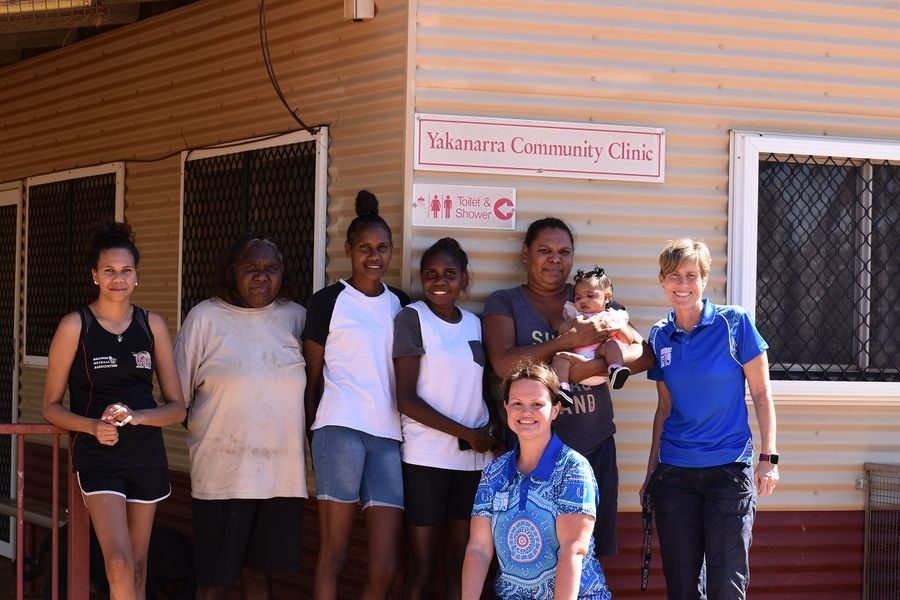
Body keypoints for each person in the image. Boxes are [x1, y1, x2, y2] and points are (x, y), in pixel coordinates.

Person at [482, 217, 653, 559]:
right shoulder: (506, 301)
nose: (555, 258)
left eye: (564, 251)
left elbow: (644, 353)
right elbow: (503, 364)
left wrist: (591, 368)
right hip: (532, 452)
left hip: (595, 445)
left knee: (589, 553)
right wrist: (569, 340)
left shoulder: (592, 298)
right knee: (533, 551)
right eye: (544, 250)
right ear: (526, 253)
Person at [42, 221, 186, 600]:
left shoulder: (151, 325)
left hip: (146, 454)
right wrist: (92, 426)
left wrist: (138, 417)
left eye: (126, 270)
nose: (118, 278)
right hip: (99, 453)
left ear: (136, 276)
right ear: (95, 275)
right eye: (109, 270)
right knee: (118, 563)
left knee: (137, 568)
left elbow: (177, 408)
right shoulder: (76, 325)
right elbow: (50, 407)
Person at [639, 238, 779, 600]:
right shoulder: (659, 335)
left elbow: (761, 394)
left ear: (704, 279)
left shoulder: (734, 323)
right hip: (675, 473)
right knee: (683, 587)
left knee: (726, 584)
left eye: (691, 275)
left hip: (728, 471)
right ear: (662, 280)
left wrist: (769, 458)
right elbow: (664, 408)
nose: (682, 284)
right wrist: (651, 472)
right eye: (674, 275)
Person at [174, 232, 308, 599]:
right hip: (222, 477)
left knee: (259, 577)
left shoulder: (296, 318)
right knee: (213, 582)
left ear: (283, 273)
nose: (261, 276)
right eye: (251, 267)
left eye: (271, 268)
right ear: (232, 270)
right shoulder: (205, 318)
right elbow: (177, 400)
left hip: (281, 478)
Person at [303, 190, 410, 600]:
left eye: (382, 247)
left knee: (387, 565)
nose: (374, 256)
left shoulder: (401, 304)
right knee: (335, 553)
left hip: (387, 436)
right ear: (348, 250)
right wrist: (312, 434)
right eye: (364, 247)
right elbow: (312, 380)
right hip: (339, 429)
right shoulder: (327, 302)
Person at [393, 237, 496, 600]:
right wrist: (467, 433)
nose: (440, 281)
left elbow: (483, 389)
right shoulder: (412, 318)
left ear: (464, 279)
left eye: (450, 273)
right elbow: (406, 400)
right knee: (421, 567)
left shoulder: (475, 324)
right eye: (431, 273)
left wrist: (488, 435)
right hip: (426, 458)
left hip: (472, 462)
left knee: (460, 563)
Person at [461, 361, 611, 600]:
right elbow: (479, 548)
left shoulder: (574, 469)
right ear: (506, 408)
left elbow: (573, 550)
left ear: (555, 410)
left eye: (537, 404)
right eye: (517, 404)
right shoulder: (493, 472)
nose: (526, 412)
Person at [550, 265, 638, 391]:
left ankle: (615, 369)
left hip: (600, 360)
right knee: (559, 357)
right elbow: (561, 331)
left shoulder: (613, 316)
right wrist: (573, 323)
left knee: (611, 344)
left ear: (607, 297)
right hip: (577, 360)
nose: (583, 300)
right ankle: (562, 388)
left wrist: (617, 329)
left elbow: (628, 340)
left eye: (590, 296)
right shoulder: (576, 315)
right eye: (578, 297)